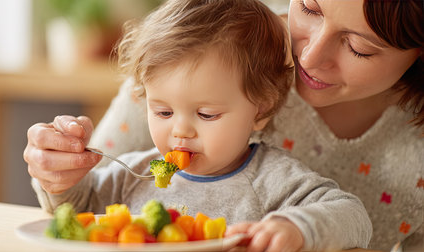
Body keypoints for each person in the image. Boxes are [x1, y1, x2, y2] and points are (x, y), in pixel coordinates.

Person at [24, 0, 423, 251]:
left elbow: (351, 216)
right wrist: (60, 178)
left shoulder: (274, 179)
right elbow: (78, 209)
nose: (180, 132)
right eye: (310, 8)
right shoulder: (134, 171)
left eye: (359, 47)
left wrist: (296, 227)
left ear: (263, 109)